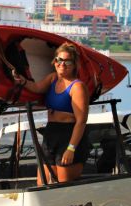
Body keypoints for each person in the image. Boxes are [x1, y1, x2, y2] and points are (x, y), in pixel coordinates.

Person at [14, 42, 89, 185]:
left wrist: (71, 149)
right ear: (54, 61)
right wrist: (21, 80)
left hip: (68, 135)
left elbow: (81, 121)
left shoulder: (77, 87)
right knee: (42, 183)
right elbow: (36, 88)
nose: (62, 64)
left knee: (63, 185)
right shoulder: (53, 78)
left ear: (74, 65)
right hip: (51, 132)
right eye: (59, 60)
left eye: (67, 61)